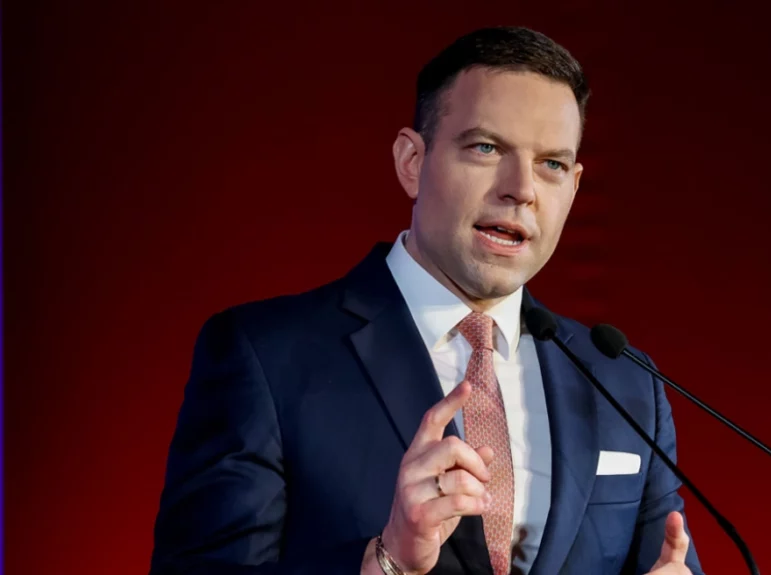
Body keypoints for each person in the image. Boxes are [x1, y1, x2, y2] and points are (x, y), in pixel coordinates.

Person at [150, 26, 704, 575]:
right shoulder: (267, 358)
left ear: (575, 187)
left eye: (552, 164)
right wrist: (384, 561)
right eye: (487, 148)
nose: (522, 189)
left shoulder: (624, 385)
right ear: (412, 161)